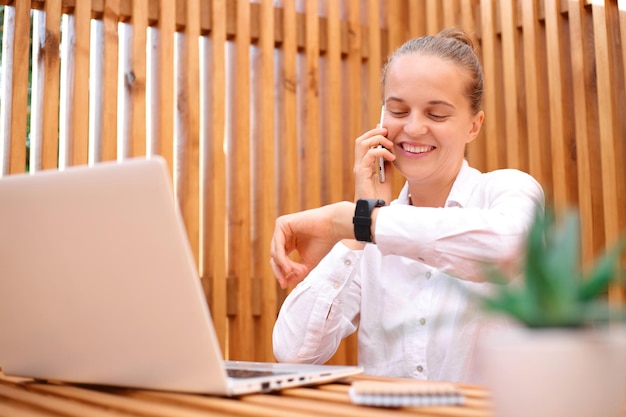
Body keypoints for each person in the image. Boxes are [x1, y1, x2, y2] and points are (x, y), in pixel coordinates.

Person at [269, 27, 544, 383]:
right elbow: (293, 352)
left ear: (474, 125)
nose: (413, 128)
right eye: (397, 110)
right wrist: (359, 223)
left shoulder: (509, 189)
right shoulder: (369, 223)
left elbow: (506, 248)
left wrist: (359, 222)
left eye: (437, 115)